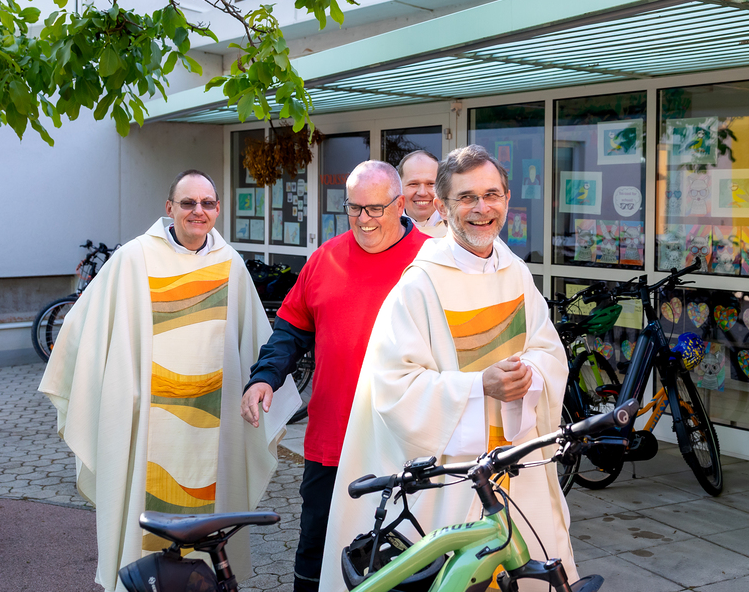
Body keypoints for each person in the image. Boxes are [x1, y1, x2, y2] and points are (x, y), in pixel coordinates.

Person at [320, 145, 574, 592]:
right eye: (466, 197)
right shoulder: (420, 285)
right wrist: (479, 387)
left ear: (507, 200)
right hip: (453, 479)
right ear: (441, 206)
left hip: (515, 463)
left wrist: (531, 374)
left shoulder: (515, 272)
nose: (482, 208)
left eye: (491, 195)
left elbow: (548, 351)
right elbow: (394, 388)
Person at [39, 169, 298, 591]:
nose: (198, 211)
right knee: (141, 524)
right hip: (147, 420)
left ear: (217, 209)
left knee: (210, 529)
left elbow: (254, 342)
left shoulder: (230, 265)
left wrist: (263, 388)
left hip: (214, 422)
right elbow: (85, 326)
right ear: (169, 208)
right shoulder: (134, 258)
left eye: (207, 203)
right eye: (188, 203)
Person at [240, 161, 429, 592]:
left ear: (400, 204)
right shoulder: (325, 259)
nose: (363, 220)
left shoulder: (432, 261)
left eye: (375, 209)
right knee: (316, 554)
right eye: (354, 208)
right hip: (332, 443)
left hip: (403, 445)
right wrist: (265, 376)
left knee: (402, 563)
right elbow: (290, 330)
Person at [398, 149, 447, 237]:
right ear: (399, 187)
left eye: (430, 184)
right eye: (413, 184)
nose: (422, 193)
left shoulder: (457, 230)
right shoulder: (385, 229)